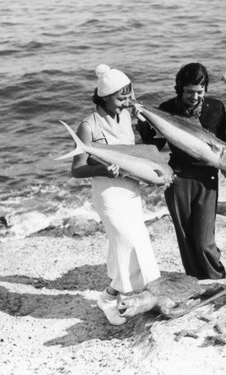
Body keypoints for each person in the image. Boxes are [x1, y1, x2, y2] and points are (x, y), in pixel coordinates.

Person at [70, 64, 160, 325]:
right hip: (108, 193)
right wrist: (103, 170)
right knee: (127, 241)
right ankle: (110, 298)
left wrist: (143, 119)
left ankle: (121, 296)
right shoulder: (89, 125)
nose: (126, 103)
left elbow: (138, 153)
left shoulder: (126, 117)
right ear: (105, 96)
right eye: (122, 98)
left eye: (129, 96)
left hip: (131, 190)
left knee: (132, 241)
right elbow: (76, 170)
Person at [139, 62, 226, 280]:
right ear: (180, 88)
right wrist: (141, 121)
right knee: (186, 235)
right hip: (178, 176)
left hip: (207, 178)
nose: (195, 97)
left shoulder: (216, 108)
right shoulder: (167, 108)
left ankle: (216, 278)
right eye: (190, 92)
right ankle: (195, 280)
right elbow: (154, 145)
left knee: (205, 239)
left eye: (200, 91)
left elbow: (223, 142)